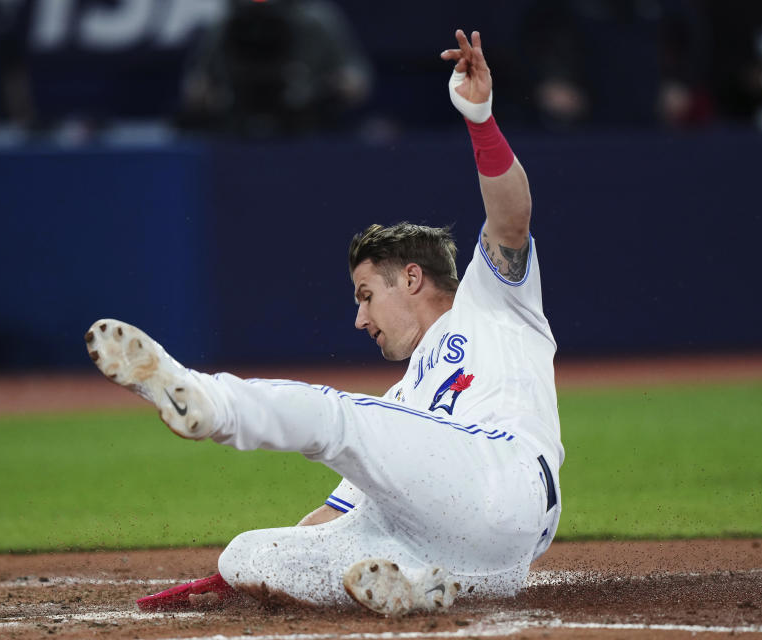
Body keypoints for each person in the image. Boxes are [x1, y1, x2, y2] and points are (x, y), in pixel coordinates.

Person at [86, 29, 563, 616]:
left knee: (339, 415)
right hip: (477, 553)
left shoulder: (492, 301)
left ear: (411, 279)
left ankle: (211, 401)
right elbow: (329, 521)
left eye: (366, 295)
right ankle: (423, 591)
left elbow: (511, 219)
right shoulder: (403, 400)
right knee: (250, 552)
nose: (359, 318)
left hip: (505, 478)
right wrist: (222, 585)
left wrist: (481, 120)